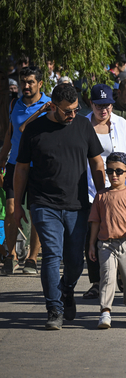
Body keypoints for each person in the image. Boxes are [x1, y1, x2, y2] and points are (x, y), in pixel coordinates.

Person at [15, 83, 105, 330]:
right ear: (52, 106)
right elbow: (22, 168)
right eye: (67, 111)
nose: (72, 115)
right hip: (44, 203)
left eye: (76, 109)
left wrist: (102, 197)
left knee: (76, 260)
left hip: (77, 204)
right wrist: (18, 205)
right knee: (52, 255)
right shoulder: (34, 130)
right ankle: (54, 309)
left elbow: (97, 163)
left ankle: (66, 289)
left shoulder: (83, 126)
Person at [82, 84, 126, 300]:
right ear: (92, 104)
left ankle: (120, 275)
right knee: (94, 234)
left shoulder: (122, 124)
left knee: (120, 232)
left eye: (107, 105)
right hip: (91, 191)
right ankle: (97, 282)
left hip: (120, 192)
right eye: (99, 106)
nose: (103, 110)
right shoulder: (83, 124)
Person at [88, 152, 126, 328]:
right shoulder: (101, 196)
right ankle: (105, 311)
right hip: (106, 244)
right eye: (110, 171)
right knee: (107, 277)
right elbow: (95, 222)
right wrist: (92, 244)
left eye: (118, 171)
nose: (114, 175)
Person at [0, 66, 49, 276]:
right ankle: (10, 256)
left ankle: (32, 258)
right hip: (14, 165)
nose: (26, 86)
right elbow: (11, 134)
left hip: (37, 166)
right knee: (11, 210)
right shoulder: (15, 104)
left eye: (30, 82)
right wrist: (2, 160)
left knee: (36, 213)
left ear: (40, 84)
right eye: (23, 82)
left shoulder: (48, 105)